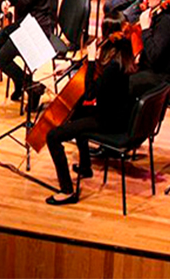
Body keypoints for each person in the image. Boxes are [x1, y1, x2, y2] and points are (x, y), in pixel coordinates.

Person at [45, 13, 138, 205]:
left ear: (108, 34)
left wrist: (93, 60)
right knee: (77, 114)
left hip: (109, 121)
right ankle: (86, 166)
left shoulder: (114, 66)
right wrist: (72, 66)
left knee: (53, 136)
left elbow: (90, 95)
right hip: (117, 113)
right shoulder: (124, 55)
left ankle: (67, 190)